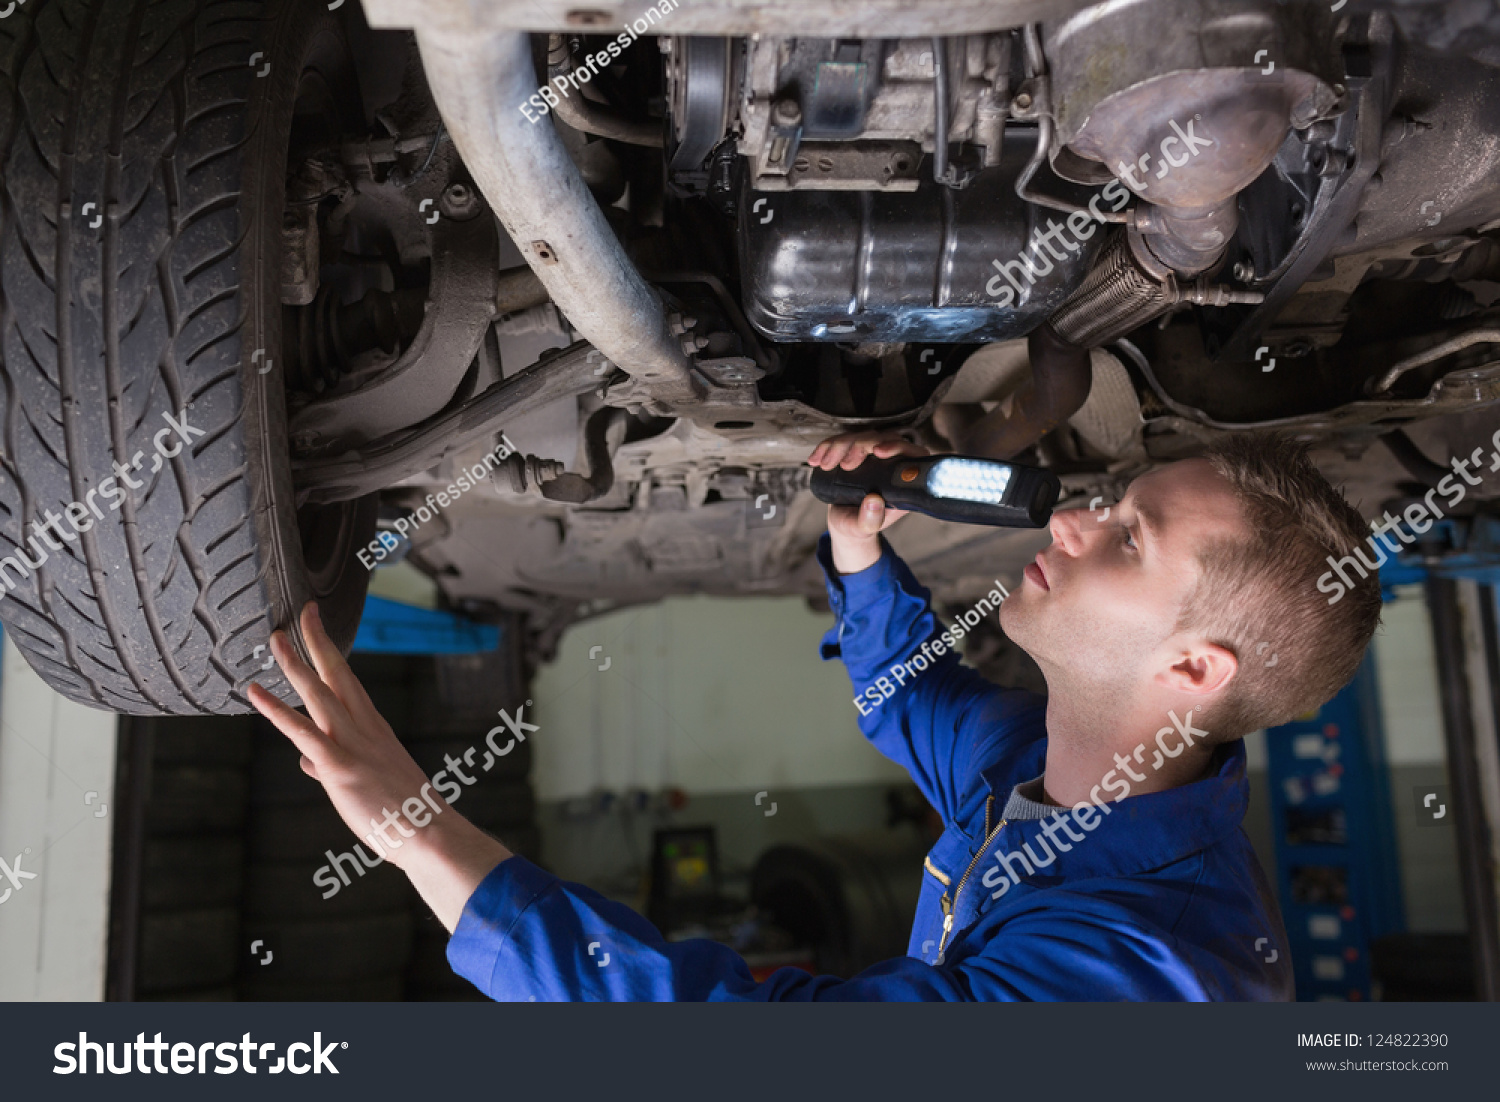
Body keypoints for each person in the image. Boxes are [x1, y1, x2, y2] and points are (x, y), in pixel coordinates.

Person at [249, 431, 1381, 1000]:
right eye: (1115, 505)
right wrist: (857, 547)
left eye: (1128, 539)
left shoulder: (1138, 974)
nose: (1077, 522)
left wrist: (414, 826)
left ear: (1192, 669)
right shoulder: (1053, 773)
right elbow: (909, 699)